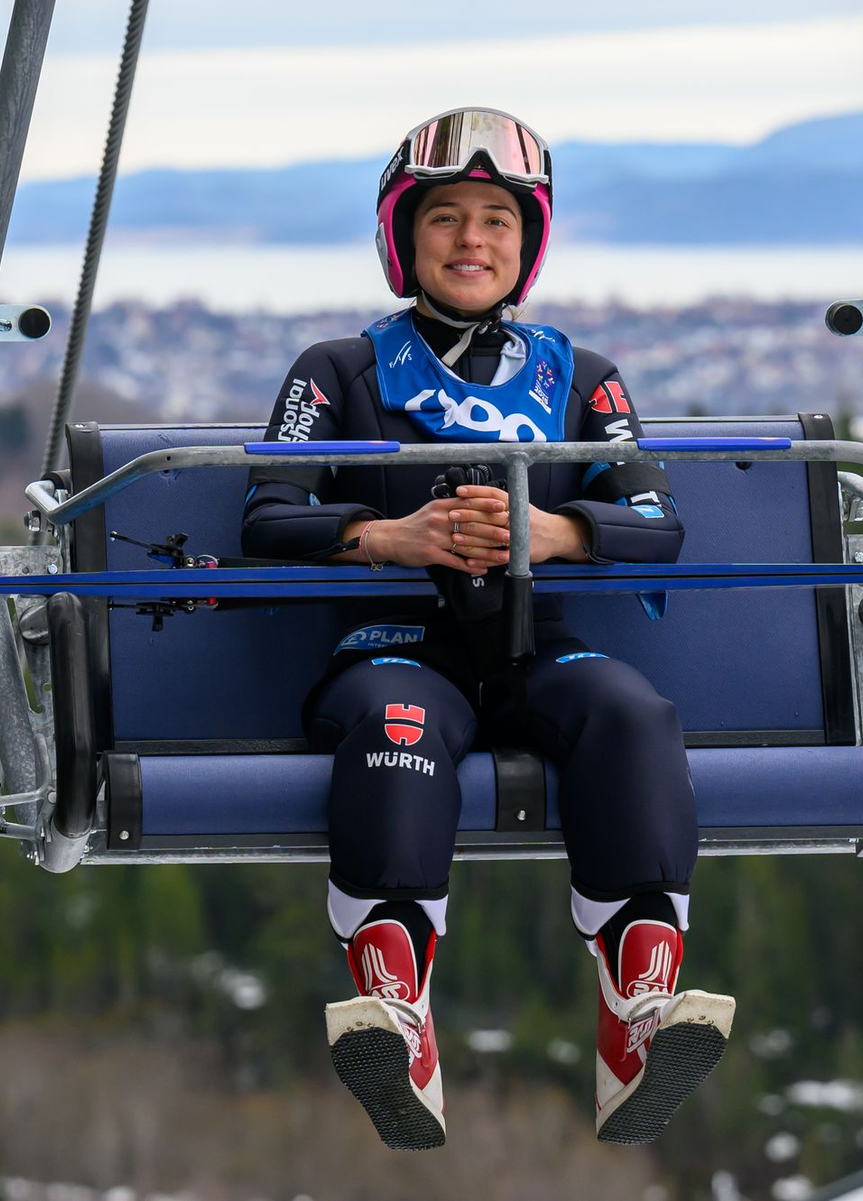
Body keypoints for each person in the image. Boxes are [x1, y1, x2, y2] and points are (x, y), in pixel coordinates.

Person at [241, 107, 734, 1150]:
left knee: (633, 714)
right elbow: (266, 516)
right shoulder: (337, 372)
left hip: (533, 642)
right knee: (397, 724)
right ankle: (395, 1006)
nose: (473, 241)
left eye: (498, 221)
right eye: (448, 219)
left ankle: (637, 1004)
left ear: (529, 242)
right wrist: (391, 534)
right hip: (395, 645)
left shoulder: (582, 377)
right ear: (404, 240)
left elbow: (659, 521)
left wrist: (559, 529)